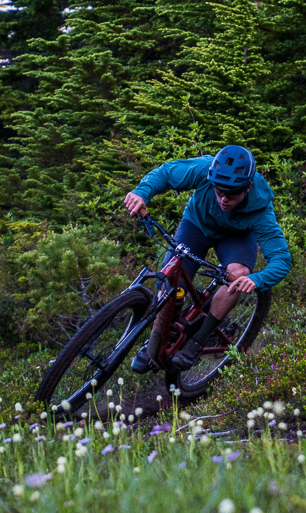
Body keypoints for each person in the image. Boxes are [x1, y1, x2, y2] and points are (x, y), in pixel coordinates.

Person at [122, 144, 291, 372]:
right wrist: (142, 193)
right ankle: (155, 341)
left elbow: (281, 259)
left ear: (248, 188)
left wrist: (257, 280)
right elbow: (165, 174)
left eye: (232, 194)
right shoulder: (204, 169)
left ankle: (198, 340)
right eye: (219, 191)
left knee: (239, 274)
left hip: (235, 237)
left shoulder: (261, 210)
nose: (223, 199)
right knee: (171, 282)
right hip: (197, 225)